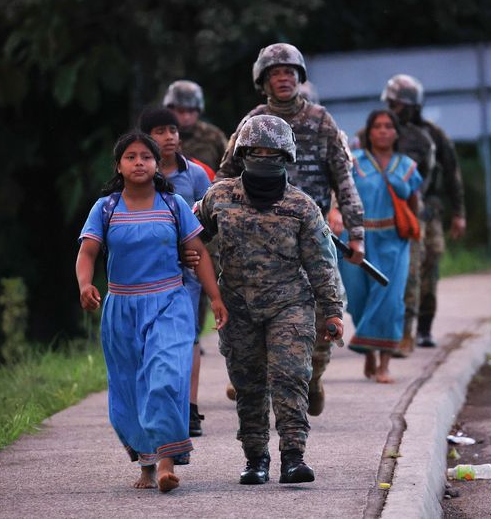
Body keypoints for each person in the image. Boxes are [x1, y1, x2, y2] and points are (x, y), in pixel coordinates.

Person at [216, 43, 364, 416]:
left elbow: (343, 179)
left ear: (300, 78)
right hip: (257, 242)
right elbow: (225, 178)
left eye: (289, 72)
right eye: (275, 73)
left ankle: (310, 379)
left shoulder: (321, 120)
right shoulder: (252, 122)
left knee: (321, 323)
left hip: (312, 237)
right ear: (263, 81)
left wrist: (356, 231)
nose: (283, 78)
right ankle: (264, 385)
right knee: (256, 323)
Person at [75, 131, 227, 492]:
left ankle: (166, 462)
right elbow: (87, 252)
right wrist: (85, 284)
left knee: (166, 375)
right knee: (130, 389)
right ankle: (146, 463)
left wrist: (216, 298)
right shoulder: (106, 208)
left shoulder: (173, 204)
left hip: (169, 302)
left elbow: (199, 253)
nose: (139, 162)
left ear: (158, 165)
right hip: (122, 308)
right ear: (119, 165)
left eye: (146, 156)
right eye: (131, 156)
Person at [197, 115, 344, 484]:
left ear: (286, 156)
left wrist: (332, 311)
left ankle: (293, 456)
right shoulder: (219, 196)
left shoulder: (302, 206)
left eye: (272, 152)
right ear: (244, 154)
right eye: (257, 151)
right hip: (237, 306)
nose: (264, 157)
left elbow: (321, 263)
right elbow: (190, 234)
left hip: (290, 304)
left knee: (290, 378)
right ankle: (255, 458)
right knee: (248, 384)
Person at [139, 107, 212, 437]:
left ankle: (190, 407)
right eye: (159, 131)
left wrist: (191, 247)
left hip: (188, 272)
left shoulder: (196, 175)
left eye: (173, 130)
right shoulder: (138, 175)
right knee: (151, 339)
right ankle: (157, 406)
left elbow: (209, 222)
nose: (169, 137)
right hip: (145, 273)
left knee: (189, 336)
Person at [354, 76, 436, 356]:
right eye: (378, 127)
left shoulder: (425, 139)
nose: (384, 131)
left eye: (399, 104)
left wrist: (412, 222)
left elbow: (436, 176)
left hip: (405, 220)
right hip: (369, 226)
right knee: (363, 290)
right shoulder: (360, 151)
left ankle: (405, 335)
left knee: (407, 282)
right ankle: (370, 343)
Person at [341, 110, 422, 383]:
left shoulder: (407, 166)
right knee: (359, 298)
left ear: (396, 133)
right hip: (356, 237)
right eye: (378, 126)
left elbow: (414, 205)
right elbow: (340, 195)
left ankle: (385, 364)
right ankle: (369, 355)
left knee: (389, 300)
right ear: (370, 131)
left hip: (393, 240)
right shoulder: (355, 162)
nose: (384, 131)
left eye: (389, 126)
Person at [389, 74, 467, 347]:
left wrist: (459, 213)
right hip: (388, 210)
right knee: (394, 269)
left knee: (430, 262)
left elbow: (452, 174)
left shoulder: (433, 135)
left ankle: (424, 328)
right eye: (392, 103)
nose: (396, 110)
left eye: (399, 104)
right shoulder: (382, 130)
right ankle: (393, 327)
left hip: (428, 209)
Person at [163, 79, 228, 174]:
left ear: (199, 110)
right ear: (170, 109)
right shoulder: (158, 135)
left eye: (191, 111)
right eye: (181, 111)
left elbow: (229, 169)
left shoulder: (213, 136)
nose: (186, 117)